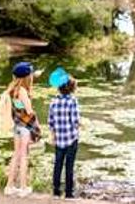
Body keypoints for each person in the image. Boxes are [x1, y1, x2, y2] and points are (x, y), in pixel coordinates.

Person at [4, 61, 41, 197]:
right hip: (25, 128)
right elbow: (29, 111)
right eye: (30, 74)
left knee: (16, 155)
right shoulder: (23, 92)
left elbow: (18, 108)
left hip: (17, 127)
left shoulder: (12, 89)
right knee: (24, 156)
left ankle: (9, 187)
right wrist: (37, 127)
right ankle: (23, 188)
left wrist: (34, 75)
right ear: (27, 77)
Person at [48, 68, 80, 200]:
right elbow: (75, 121)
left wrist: (53, 136)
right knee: (69, 166)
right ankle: (69, 193)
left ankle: (56, 192)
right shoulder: (73, 101)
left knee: (58, 164)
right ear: (72, 88)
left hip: (59, 139)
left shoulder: (53, 102)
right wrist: (83, 125)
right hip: (71, 139)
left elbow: (51, 122)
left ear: (59, 88)